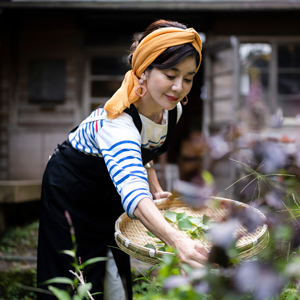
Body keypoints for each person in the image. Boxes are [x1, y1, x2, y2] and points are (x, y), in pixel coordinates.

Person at [37, 19, 208, 300]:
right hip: (70, 189)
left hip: (107, 188)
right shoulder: (116, 123)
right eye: (170, 74)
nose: (179, 87)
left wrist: (153, 184)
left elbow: (142, 151)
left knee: (114, 263)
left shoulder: (172, 110)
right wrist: (180, 242)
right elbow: (131, 188)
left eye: (188, 78)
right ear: (144, 70)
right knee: (71, 273)